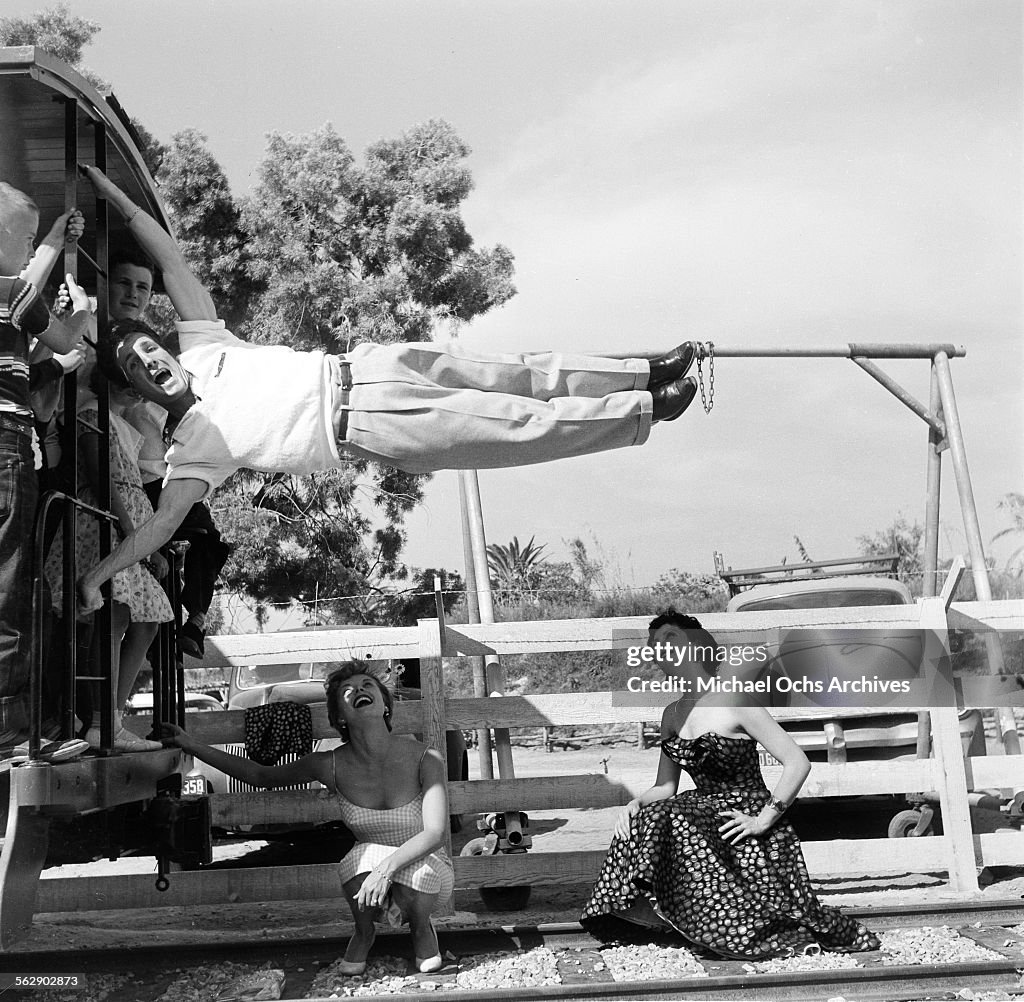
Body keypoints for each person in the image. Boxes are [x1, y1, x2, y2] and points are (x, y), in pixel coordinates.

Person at [75, 165, 701, 617]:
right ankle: (645, 410)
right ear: (134, 390)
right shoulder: (196, 453)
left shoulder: (207, 345)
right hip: (368, 428)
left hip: (370, 365)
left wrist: (118, 199)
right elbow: (158, 528)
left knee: (520, 372)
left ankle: (643, 371)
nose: (153, 360)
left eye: (148, 345)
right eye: (136, 365)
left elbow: (175, 263)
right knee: (515, 425)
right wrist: (99, 576)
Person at [580, 610, 879, 960]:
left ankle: (711, 922)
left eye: (670, 639)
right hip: (702, 814)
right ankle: (652, 916)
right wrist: (634, 805)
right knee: (650, 816)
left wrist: (764, 819)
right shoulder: (672, 714)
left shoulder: (735, 700)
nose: (660, 649)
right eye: (654, 645)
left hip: (745, 816)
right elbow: (665, 786)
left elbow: (798, 762)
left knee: (672, 816)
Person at [161, 659, 453, 973]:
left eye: (368, 686)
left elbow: (434, 834)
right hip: (369, 866)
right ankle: (364, 932)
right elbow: (260, 775)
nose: (359, 690)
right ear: (340, 717)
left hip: (429, 866)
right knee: (354, 862)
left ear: (385, 704)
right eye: (347, 690)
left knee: (415, 871)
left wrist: (385, 869)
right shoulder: (329, 764)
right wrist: (191, 744)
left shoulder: (426, 756)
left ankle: (422, 929)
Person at [59, 249, 231, 658]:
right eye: (124, 283)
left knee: (204, 540)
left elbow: (172, 412)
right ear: (104, 285)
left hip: (148, 478)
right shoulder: (84, 334)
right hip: (104, 477)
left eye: (143, 288)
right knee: (118, 602)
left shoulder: (149, 349)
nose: (133, 294)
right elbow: (81, 405)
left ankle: (191, 624)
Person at [44, 352, 171, 752]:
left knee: (146, 620)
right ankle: (101, 723)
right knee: (114, 618)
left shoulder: (126, 426)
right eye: (128, 381)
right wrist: (133, 532)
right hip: (105, 523)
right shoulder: (90, 414)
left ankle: (112, 719)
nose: (135, 390)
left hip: (130, 524)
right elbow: (102, 479)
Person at [0, 181, 89, 750]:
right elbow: (59, 338)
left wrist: (52, 241)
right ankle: (10, 730)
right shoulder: (12, 288)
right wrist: (81, 314)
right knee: (10, 585)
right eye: (24, 237)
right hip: (6, 446)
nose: (30, 246)